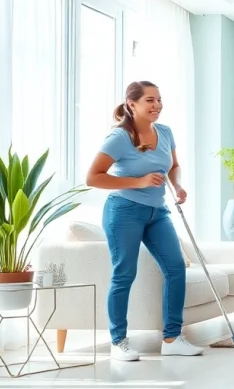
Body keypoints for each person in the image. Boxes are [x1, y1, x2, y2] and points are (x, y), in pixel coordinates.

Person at [86, 80, 204, 361]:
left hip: (157, 212)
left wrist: (178, 187)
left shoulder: (165, 132)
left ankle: (172, 338)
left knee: (176, 268)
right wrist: (139, 181)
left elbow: (174, 166)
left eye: (159, 99)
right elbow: (93, 177)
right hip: (124, 211)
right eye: (150, 100)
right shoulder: (119, 137)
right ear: (132, 104)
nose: (157, 105)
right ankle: (118, 342)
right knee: (124, 273)